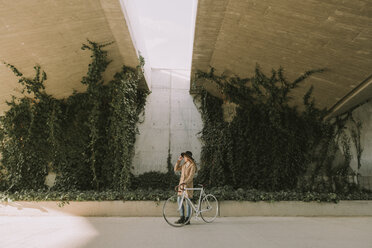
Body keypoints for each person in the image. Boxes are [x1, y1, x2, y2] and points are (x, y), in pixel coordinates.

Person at [174, 151, 197, 225]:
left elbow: (191, 177)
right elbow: (176, 169)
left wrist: (185, 182)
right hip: (181, 185)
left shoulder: (192, 165)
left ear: (188, 157)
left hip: (188, 186)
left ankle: (188, 219)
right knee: (179, 199)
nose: (184, 158)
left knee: (188, 202)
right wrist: (178, 161)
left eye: (185, 156)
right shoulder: (184, 164)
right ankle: (182, 217)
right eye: (183, 157)